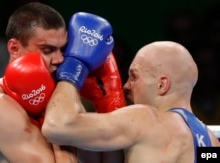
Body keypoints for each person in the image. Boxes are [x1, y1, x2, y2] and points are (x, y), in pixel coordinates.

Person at [41, 40, 220, 163]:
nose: (126, 86)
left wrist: (74, 68)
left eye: (134, 76)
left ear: (161, 84)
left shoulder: (146, 118)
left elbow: (57, 126)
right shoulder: (212, 142)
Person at [0, 2, 78, 163]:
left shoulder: (54, 93)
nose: (59, 59)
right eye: (47, 50)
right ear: (14, 48)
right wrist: (71, 82)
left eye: (62, 49)